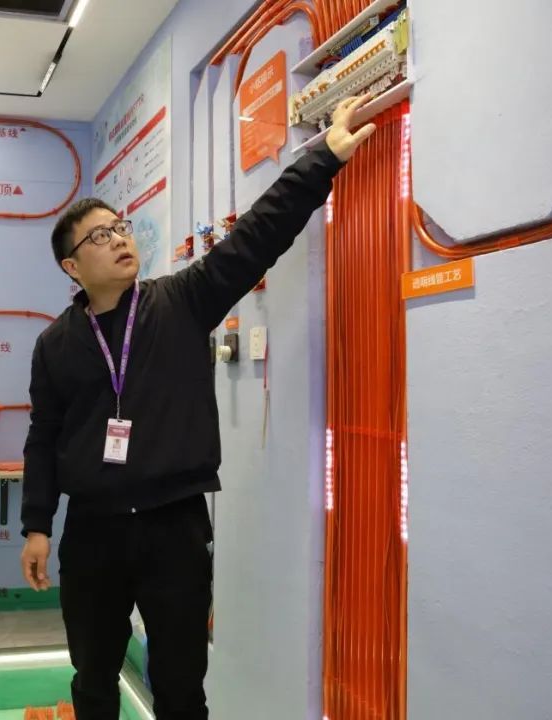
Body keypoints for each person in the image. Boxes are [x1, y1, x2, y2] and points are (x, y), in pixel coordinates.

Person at [19, 96, 377, 720]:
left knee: (182, 687)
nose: (118, 238)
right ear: (72, 266)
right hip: (94, 531)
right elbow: (43, 437)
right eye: (99, 236)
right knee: (94, 678)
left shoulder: (181, 301)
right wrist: (37, 525)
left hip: (175, 526)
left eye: (120, 226)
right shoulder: (55, 345)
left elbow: (255, 238)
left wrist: (321, 159)